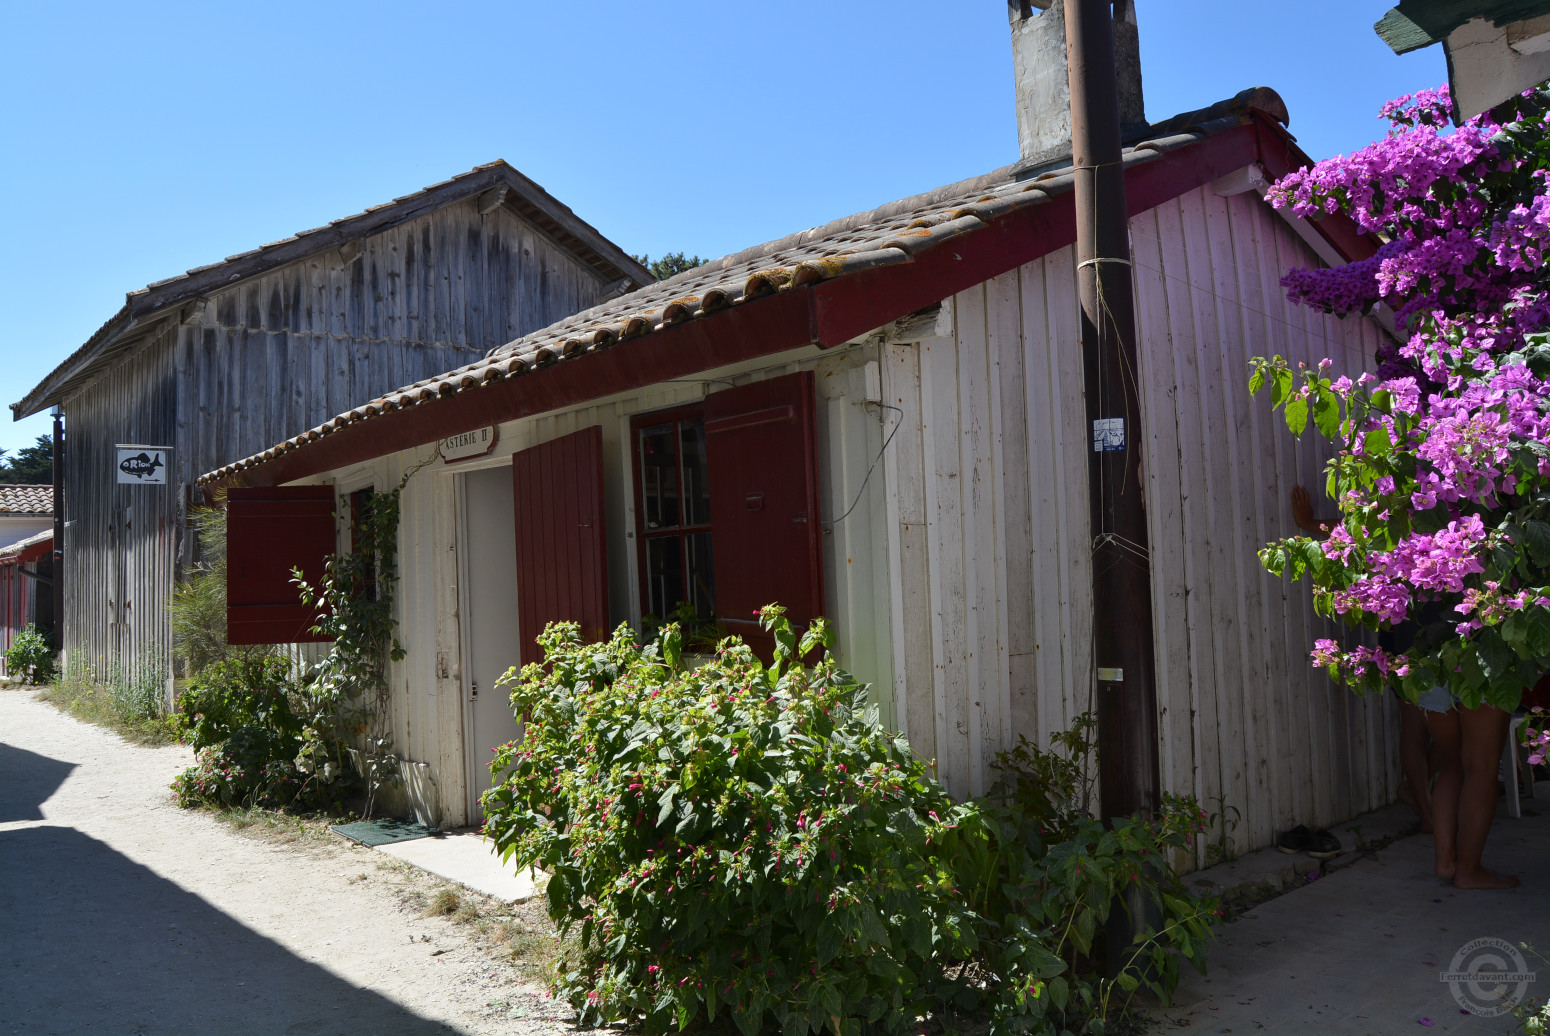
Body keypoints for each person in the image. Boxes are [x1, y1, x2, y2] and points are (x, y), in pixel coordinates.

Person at [1291, 485, 1433, 833]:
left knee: (1446, 731)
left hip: (1439, 623)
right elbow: (1358, 528)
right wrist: (1309, 523)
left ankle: (1421, 797)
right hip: (1403, 626)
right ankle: (1426, 809)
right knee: (1415, 722)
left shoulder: (1436, 505)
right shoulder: (1400, 509)